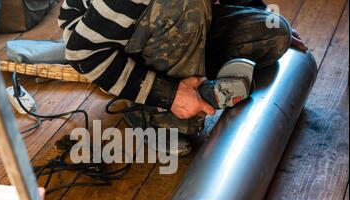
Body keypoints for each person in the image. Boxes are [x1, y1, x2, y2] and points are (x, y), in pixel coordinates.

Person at [58, 0, 307, 155]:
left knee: (273, 34)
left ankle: (197, 85)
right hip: (110, 46)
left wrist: (261, 14)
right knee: (187, 4)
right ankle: (154, 115)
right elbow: (83, 54)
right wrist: (169, 95)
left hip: (175, 20)